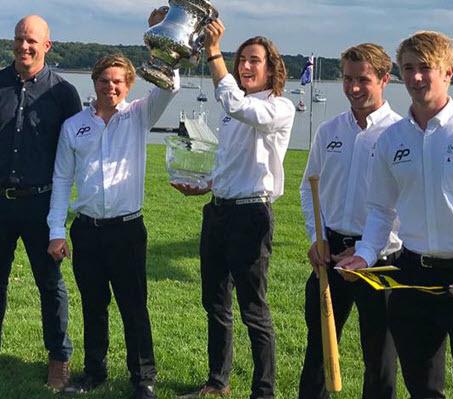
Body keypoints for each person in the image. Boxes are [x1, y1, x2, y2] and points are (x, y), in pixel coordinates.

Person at [337, 31, 453, 399]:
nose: (416, 77)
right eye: (409, 68)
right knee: (423, 390)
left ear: (448, 73)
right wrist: (364, 253)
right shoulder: (391, 139)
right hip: (413, 281)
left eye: (426, 68)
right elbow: (380, 209)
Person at [45, 10, 175, 399]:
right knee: (94, 306)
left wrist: (161, 37)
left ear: (129, 85)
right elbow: (61, 180)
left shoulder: (139, 116)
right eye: (104, 80)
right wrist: (55, 232)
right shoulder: (74, 126)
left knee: (134, 307)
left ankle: (143, 378)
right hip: (87, 229)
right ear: (95, 82)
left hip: (127, 229)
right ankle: (94, 373)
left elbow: (169, 87)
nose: (110, 87)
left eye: (118, 81)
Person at [0, 15, 81, 391]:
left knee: (50, 283)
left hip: (41, 206)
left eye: (32, 41)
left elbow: (72, 152)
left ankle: (59, 357)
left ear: (47, 46)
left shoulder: (63, 93)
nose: (24, 46)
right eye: (19, 39)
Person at [173, 19, 295, 399]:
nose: (245, 66)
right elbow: (230, 162)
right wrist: (207, 186)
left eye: (254, 60)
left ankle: (264, 391)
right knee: (215, 302)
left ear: (272, 69)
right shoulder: (233, 109)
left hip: (250, 216)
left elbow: (238, 107)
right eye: (241, 59)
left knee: (253, 310)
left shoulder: (279, 107)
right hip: (220, 212)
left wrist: (214, 53)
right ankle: (218, 382)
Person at [297, 43, 401, 399]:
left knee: (380, 356)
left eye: (363, 80)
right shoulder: (329, 131)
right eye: (347, 79)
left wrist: (370, 248)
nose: (354, 88)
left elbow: (406, 205)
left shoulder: (400, 133)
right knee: (319, 349)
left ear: (385, 79)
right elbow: (308, 189)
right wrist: (317, 237)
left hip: (380, 260)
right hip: (330, 253)